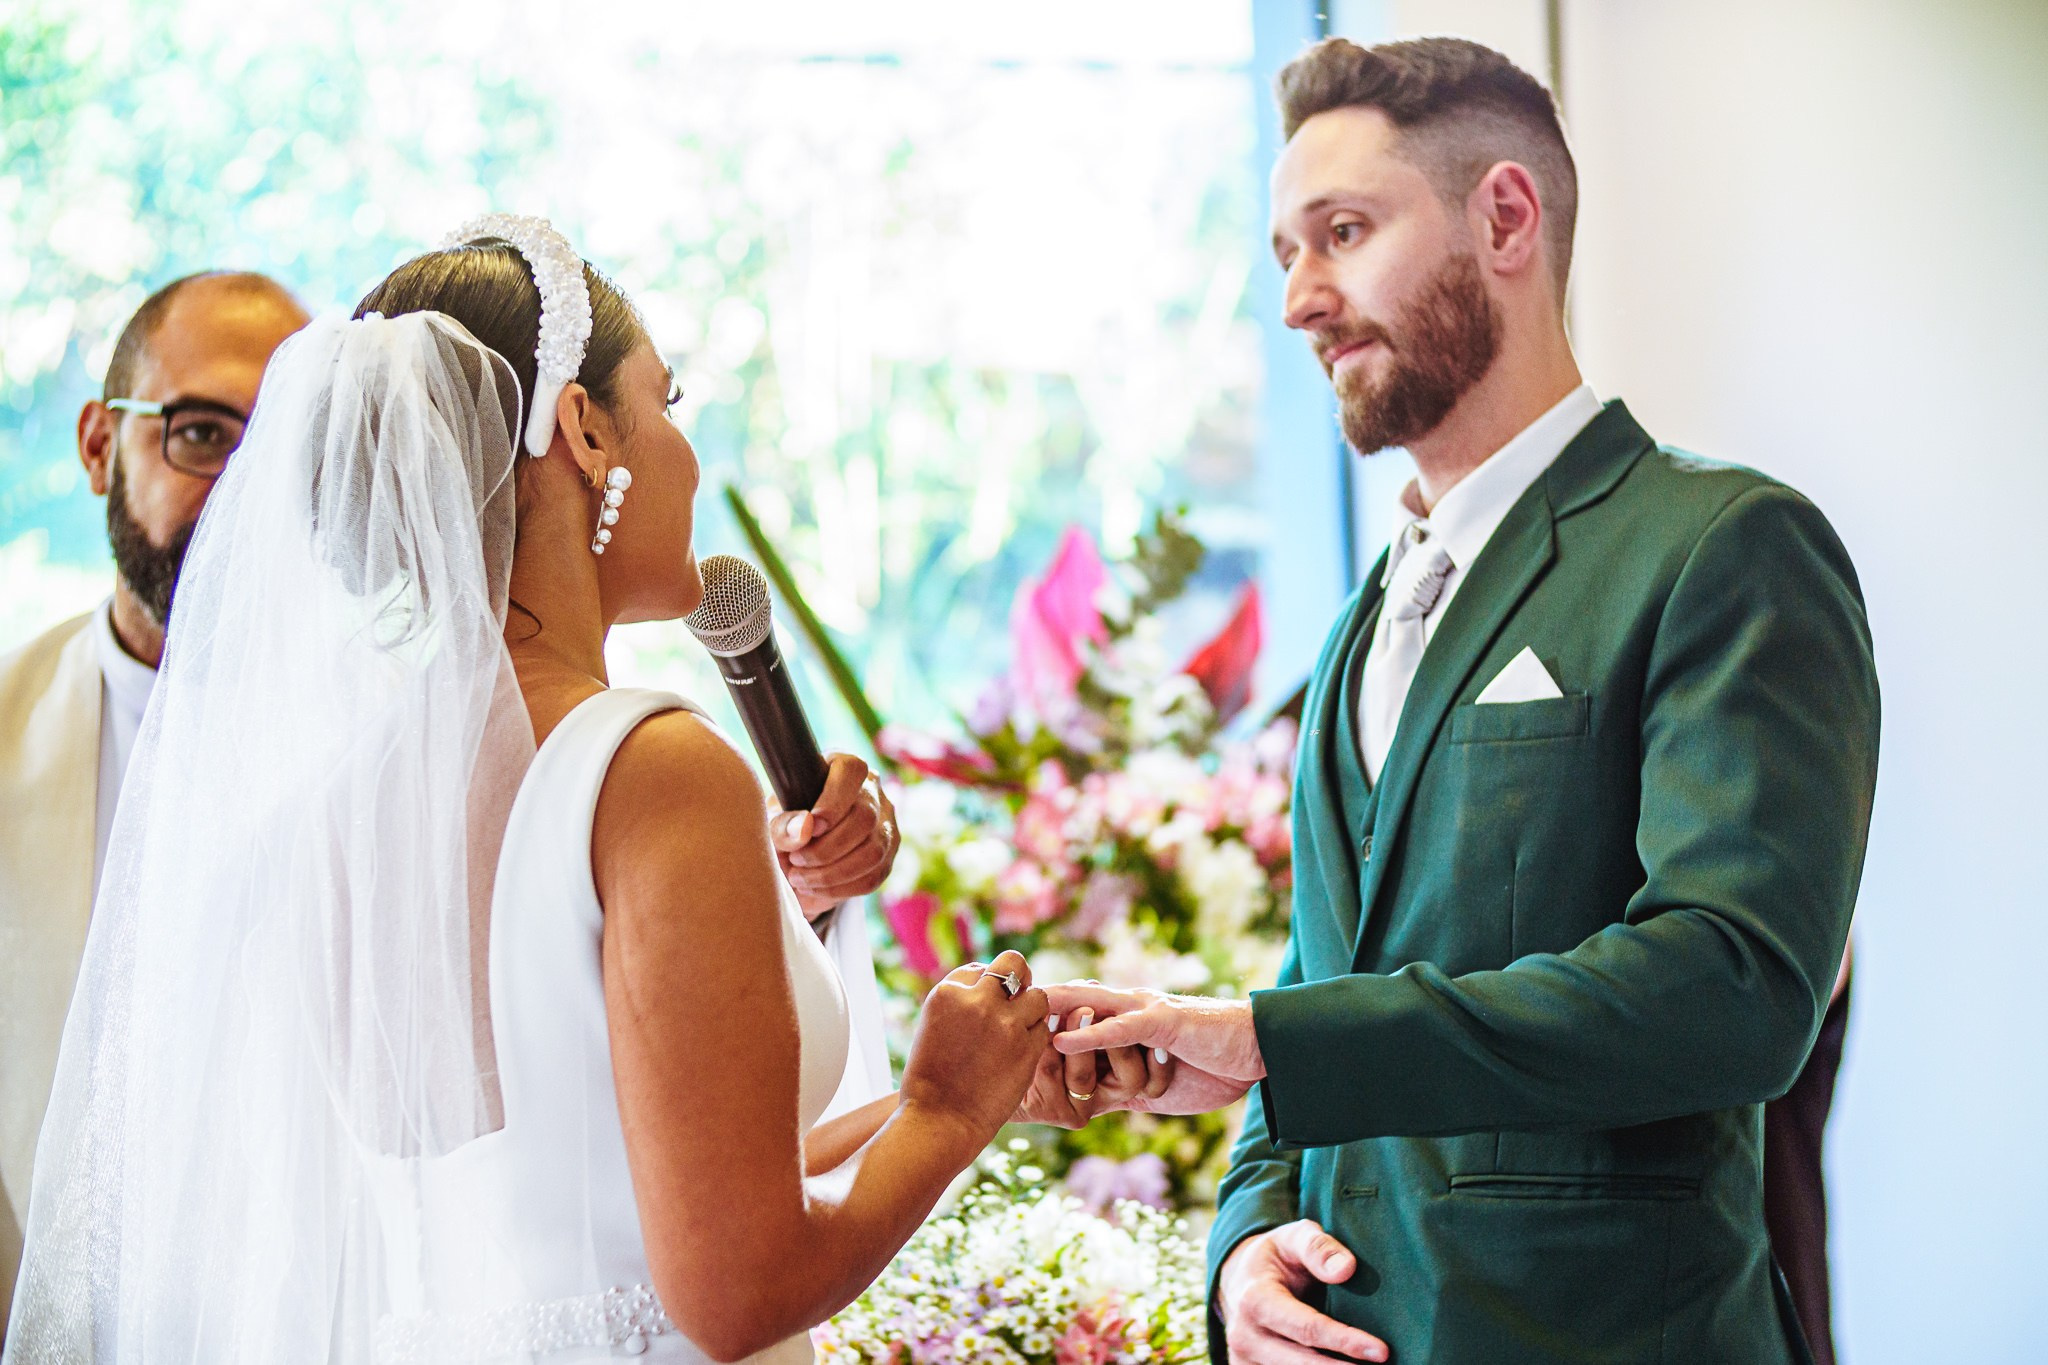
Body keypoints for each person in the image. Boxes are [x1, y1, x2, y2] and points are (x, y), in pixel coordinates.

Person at [4, 216, 1161, 1364]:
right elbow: (739, 1288)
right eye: (667, 404)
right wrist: (946, 1116)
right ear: (584, 432)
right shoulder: (655, 767)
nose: (687, 456)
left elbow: (613, 1181)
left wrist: (965, 1089)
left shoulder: (338, 806)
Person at [1052, 37, 1878, 1365]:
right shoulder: (1363, 621)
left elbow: (1733, 985)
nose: (1301, 302)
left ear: (1504, 216)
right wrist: (1248, 1245)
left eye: (1344, 232)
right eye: (1284, 255)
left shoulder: (1722, 546)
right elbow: (1324, 979)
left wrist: (1274, 1037)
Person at [0, 270, 308, 1340]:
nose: (243, 496)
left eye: (283, 453)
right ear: (97, 446)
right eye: (202, 435)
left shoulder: (391, 746)